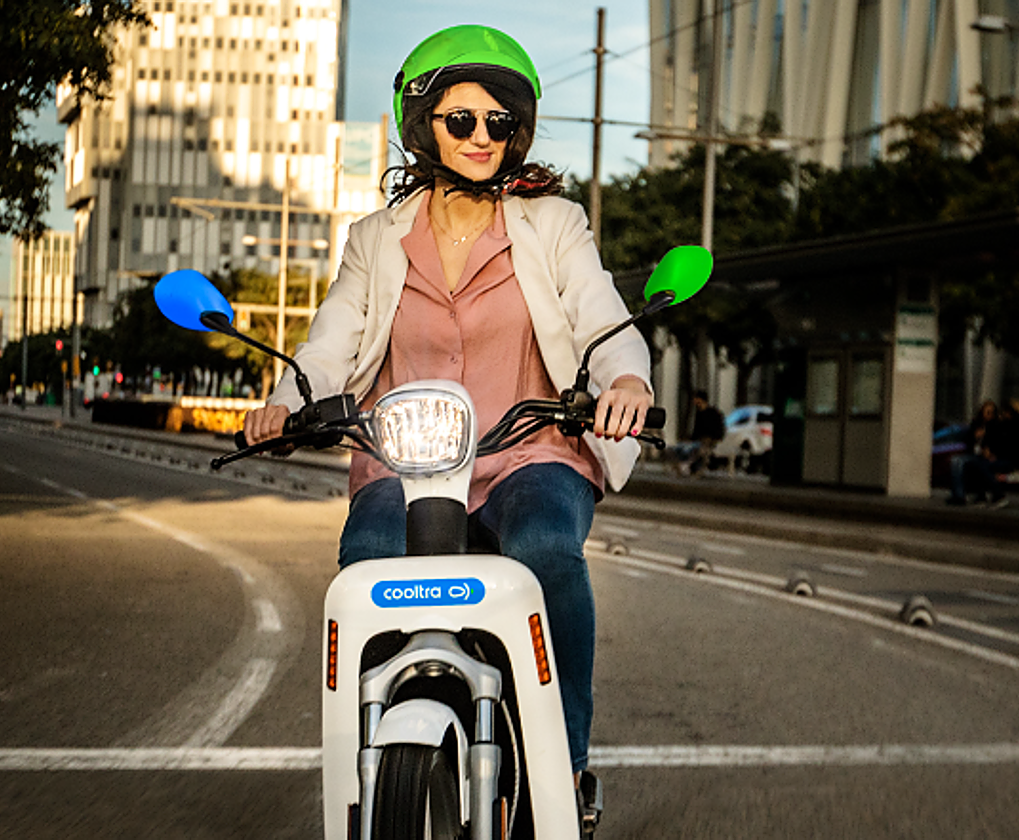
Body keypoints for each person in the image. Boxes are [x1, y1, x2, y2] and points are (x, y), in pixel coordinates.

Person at [241, 24, 653, 819]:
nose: (479, 137)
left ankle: (564, 768)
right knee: (366, 558)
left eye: (498, 123)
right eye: (460, 119)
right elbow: (330, 343)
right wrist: (285, 403)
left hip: (531, 453)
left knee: (544, 549)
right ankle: (376, 757)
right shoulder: (376, 239)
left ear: (518, 131)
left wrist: (625, 379)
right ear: (423, 124)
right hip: (405, 462)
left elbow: (601, 317)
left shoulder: (553, 224)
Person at [946, 400, 997, 505]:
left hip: (982, 456)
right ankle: (958, 494)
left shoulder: (994, 427)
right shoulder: (976, 424)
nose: (988, 415)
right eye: (987, 412)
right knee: (956, 461)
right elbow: (967, 440)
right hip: (973, 453)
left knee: (962, 462)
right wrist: (975, 436)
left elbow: (994, 444)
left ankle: (960, 495)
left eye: (991, 413)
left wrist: (986, 445)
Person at [687, 390, 725, 476]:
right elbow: (696, 430)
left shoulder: (713, 413)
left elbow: (717, 429)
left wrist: (711, 438)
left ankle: (698, 468)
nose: (694, 401)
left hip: (711, 439)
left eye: (695, 399)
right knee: (692, 448)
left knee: (701, 450)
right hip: (701, 440)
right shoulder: (699, 413)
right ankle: (695, 468)